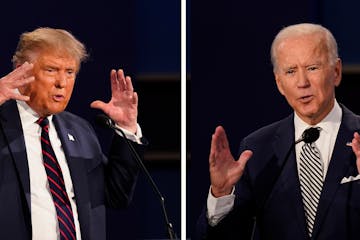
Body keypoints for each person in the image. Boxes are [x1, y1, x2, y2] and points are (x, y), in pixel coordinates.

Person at [196, 23, 360, 239]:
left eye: (312, 68)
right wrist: (221, 194)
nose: (302, 82)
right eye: (291, 71)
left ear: (336, 72)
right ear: (279, 83)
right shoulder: (257, 150)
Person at [0, 27, 146, 239]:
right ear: (21, 70)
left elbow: (117, 196)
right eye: (51, 70)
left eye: (70, 72)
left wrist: (126, 129)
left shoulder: (79, 130)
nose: (62, 83)